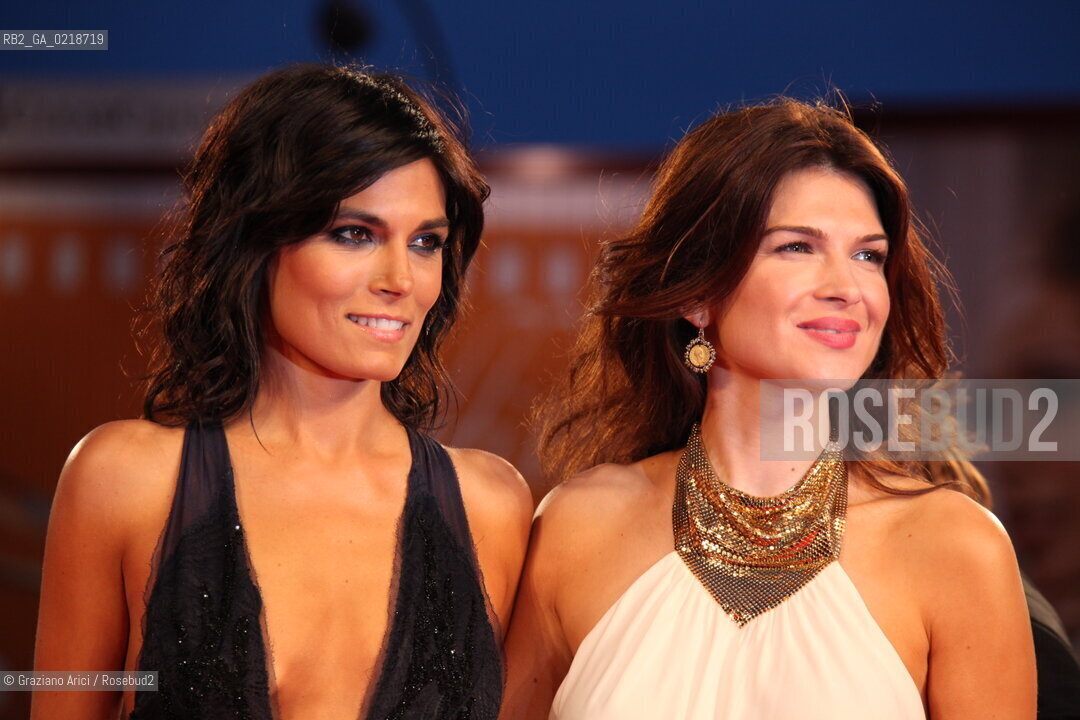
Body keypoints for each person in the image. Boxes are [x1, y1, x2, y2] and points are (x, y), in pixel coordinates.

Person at [502, 99, 1036, 718]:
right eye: (797, 248)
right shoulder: (575, 527)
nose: (847, 287)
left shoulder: (956, 547)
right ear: (698, 292)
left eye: (869, 255)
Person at [32, 63, 533, 720]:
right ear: (257, 239)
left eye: (426, 243)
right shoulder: (121, 481)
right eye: (356, 234)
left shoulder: (492, 509)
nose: (400, 279)